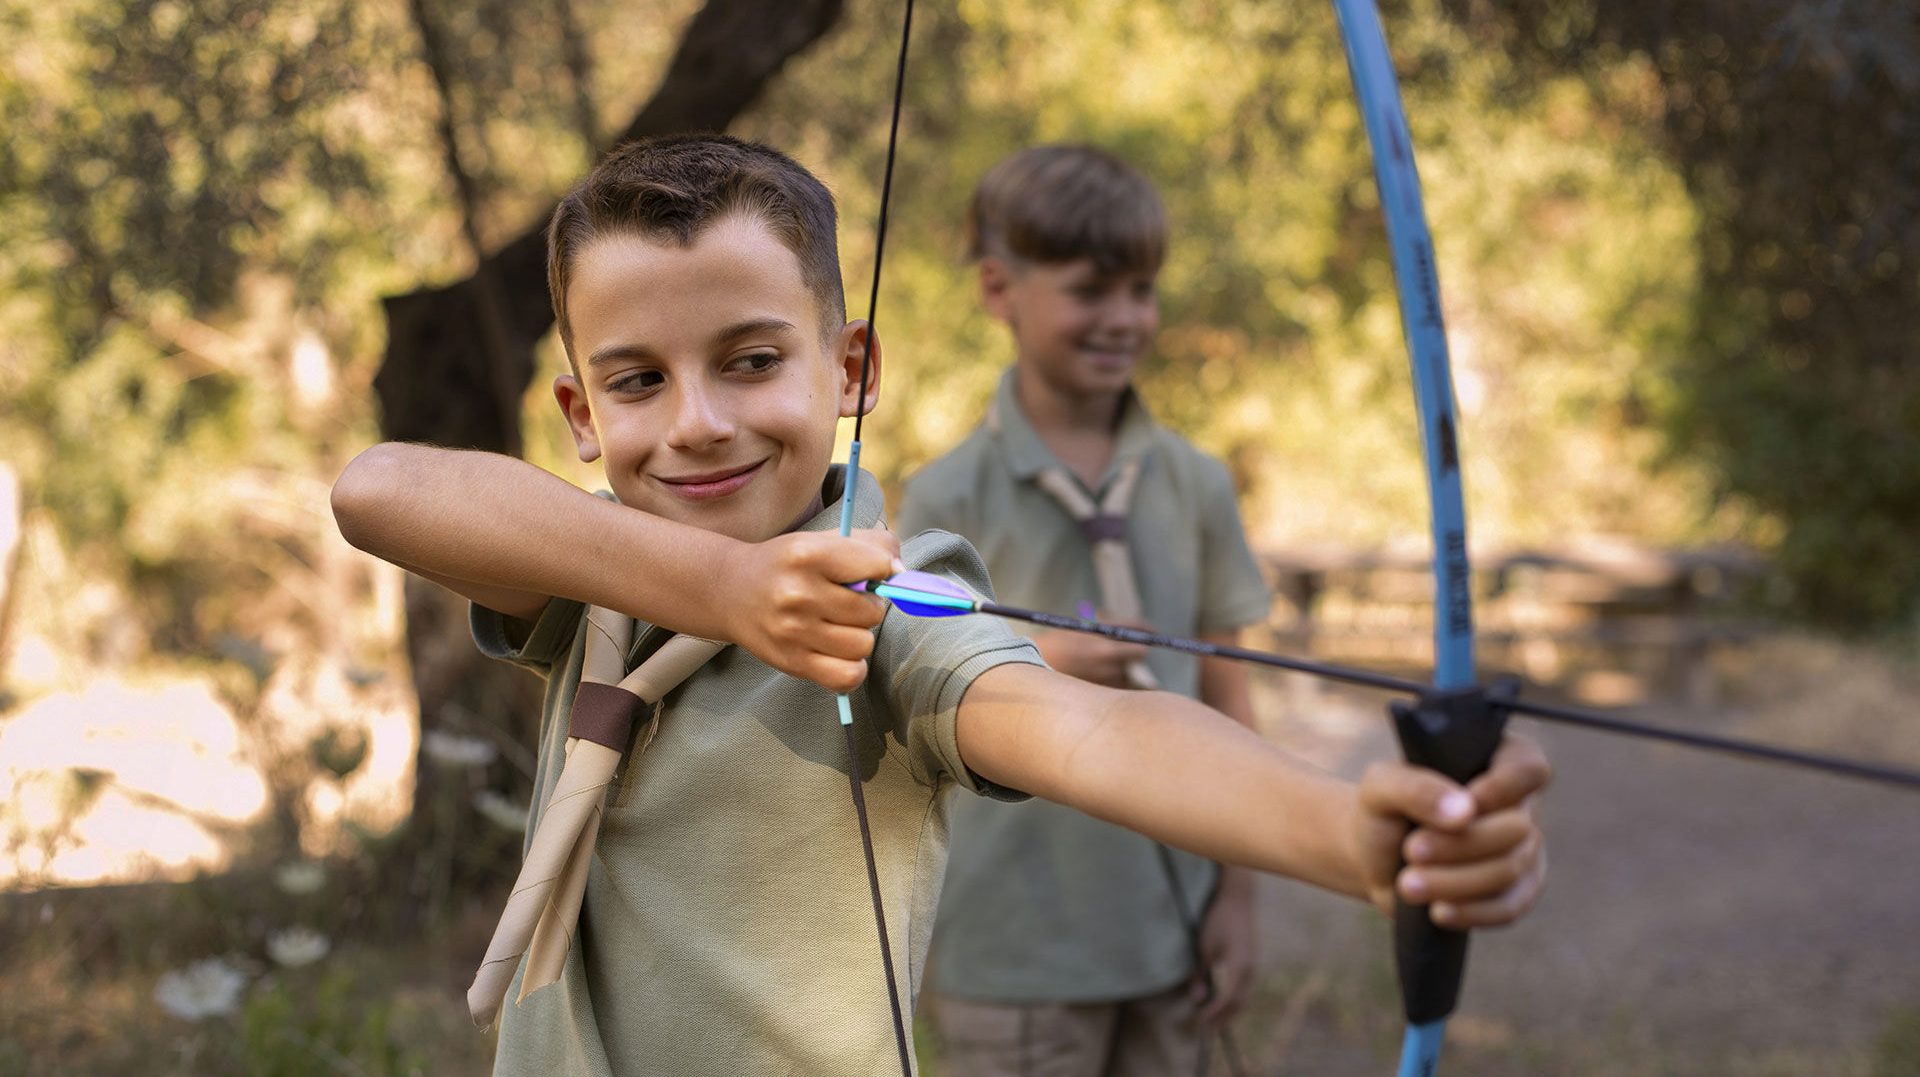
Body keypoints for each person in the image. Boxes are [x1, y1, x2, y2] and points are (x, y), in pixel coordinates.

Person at [330, 133, 1550, 1077]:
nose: (698, 421)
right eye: (638, 381)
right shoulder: (596, 583)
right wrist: (729, 587)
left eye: (753, 361)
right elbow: (379, 488)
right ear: (583, 417)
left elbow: (1087, 729)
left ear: (848, 369)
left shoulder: (887, 608)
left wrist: (1352, 836)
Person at [897, 143, 1267, 1075]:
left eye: (1142, 291)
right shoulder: (948, 494)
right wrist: (1037, 659)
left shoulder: (1196, 483)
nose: (1125, 319)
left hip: (1172, 930)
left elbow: (1231, 692)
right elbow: (913, 683)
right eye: (1091, 290)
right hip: (1017, 949)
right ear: (998, 290)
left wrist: (1238, 897)